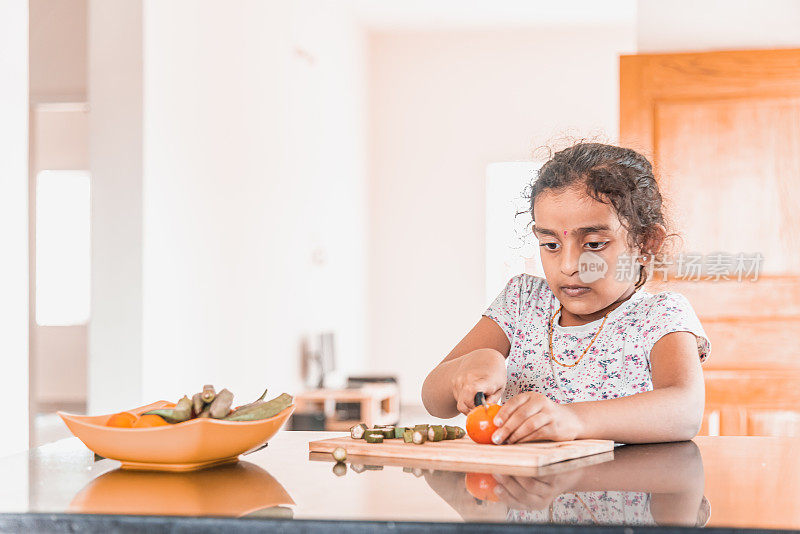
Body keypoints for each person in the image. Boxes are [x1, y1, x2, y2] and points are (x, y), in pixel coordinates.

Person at [421, 142, 710, 444]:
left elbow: (685, 410)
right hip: (521, 488)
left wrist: (573, 419)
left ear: (646, 243)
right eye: (551, 245)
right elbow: (432, 399)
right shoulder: (522, 302)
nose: (569, 266)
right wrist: (468, 367)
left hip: (624, 487)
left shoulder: (659, 316)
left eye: (594, 244)